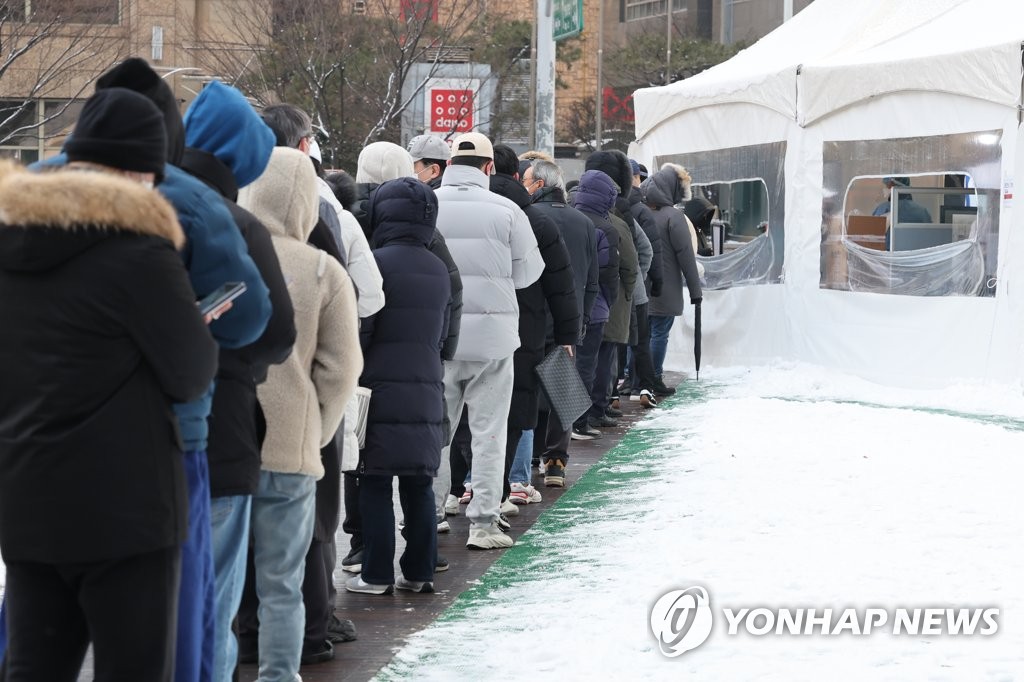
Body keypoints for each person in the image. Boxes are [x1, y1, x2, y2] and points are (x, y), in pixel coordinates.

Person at [33, 57, 273, 682]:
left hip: (27, 446)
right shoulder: (175, 212)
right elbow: (247, 325)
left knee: (35, 635)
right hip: (156, 453)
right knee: (166, 634)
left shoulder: (26, 197)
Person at [0, 87, 219, 681]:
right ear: (136, 172)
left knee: (32, 667)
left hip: (26, 498)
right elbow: (191, 372)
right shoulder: (140, 255)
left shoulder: (10, 245)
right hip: (128, 509)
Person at [179, 80, 299, 682]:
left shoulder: (126, 206)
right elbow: (274, 332)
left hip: (97, 444)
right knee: (210, 602)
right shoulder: (233, 223)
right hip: (217, 434)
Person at [236, 146, 361, 681]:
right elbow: (341, 368)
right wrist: (318, 427)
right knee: (283, 580)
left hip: (226, 441)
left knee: (223, 577)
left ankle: (229, 661)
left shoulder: (225, 254)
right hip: (292, 446)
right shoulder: (322, 269)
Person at [433, 131, 544, 549]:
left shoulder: (429, 204)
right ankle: (482, 522)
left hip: (440, 335)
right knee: (489, 433)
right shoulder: (508, 210)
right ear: (489, 167)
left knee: (437, 432)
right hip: (495, 338)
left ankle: (433, 510)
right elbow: (528, 273)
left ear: (447, 166)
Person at [345, 177, 453, 595]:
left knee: (373, 481)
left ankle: (375, 573)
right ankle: (420, 570)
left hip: (378, 387)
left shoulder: (375, 263)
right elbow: (442, 333)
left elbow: (362, 330)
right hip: (426, 384)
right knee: (419, 482)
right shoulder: (439, 268)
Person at [488, 144, 578, 508]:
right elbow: (577, 280)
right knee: (547, 399)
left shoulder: (525, 219)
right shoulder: (575, 220)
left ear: (538, 183)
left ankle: (482, 481)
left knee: (504, 400)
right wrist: (574, 328)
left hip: (516, 320)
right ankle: (545, 464)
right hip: (550, 321)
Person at [521, 156, 600, 486]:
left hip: (532, 317)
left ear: (539, 185)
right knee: (561, 390)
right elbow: (592, 279)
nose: (522, 187)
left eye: (526, 181)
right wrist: (580, 320)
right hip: (569, 318)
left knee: (526, 388)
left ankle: (530, 457)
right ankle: (556, 461)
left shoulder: (528, 218)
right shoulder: (583, 222)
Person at [641, 163, 703, 393]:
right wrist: (696, 291)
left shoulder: (639, 211)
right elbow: (686, 257)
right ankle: (655, 378)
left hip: (640, 286)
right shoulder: (674, 217)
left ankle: (635, 378)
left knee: (639, 333)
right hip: (666, 287)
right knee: (659, 333)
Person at [570, 170, 622, 440]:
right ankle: (580, 421)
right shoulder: (606, 228)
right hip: (596, 306)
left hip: (563, 303)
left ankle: (561, 422)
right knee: (587, 364)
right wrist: (609, 301)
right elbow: (608, 273)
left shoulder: (567, 217)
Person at [872, 176, 933, 249]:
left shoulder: (882, 209)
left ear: (894, 186)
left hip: (887, 257)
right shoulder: (922, 211)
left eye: (888, 185)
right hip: (914, 257)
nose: (884, 188)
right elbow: (929, 238)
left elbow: (872, 238)